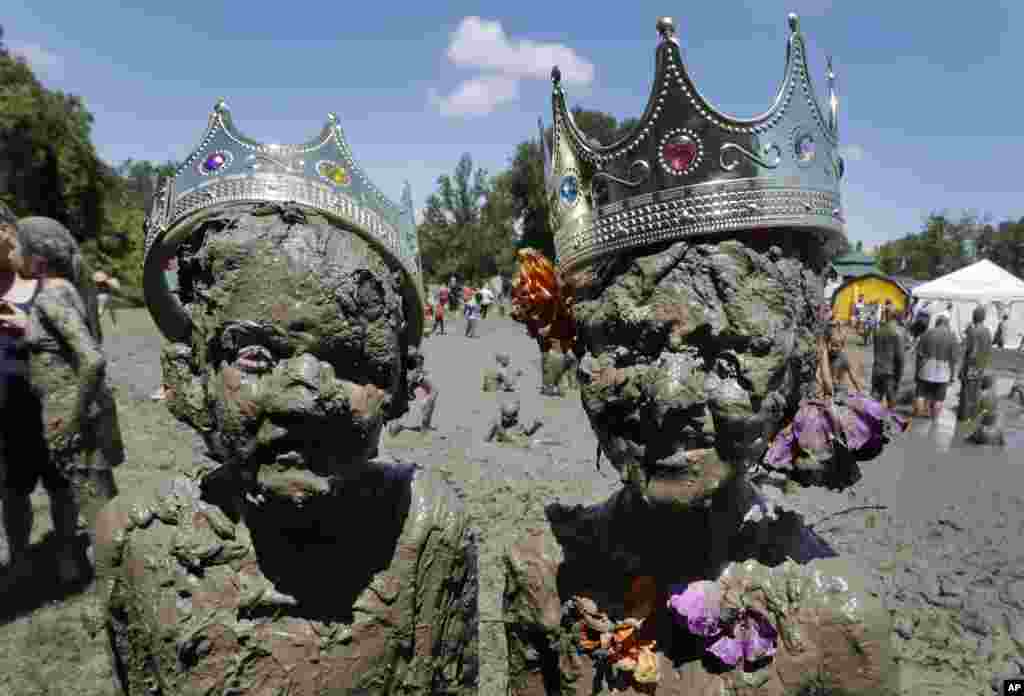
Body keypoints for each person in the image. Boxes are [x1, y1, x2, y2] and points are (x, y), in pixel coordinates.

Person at [7, 217, 124, 583]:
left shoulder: (52, 293)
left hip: (70, 415)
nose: (12, 256)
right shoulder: (58, 290)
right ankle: (116, 577)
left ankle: (115, 585)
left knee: (97, 508)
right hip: (65, 412)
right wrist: (23, 325)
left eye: (16, 249)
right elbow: (56, 343)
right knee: (99, 505)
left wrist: (74, 417)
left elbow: (91, 358)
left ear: (37, 260)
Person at [0, 205, 51, 576]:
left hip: (49, 400)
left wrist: (27, 323)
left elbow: (78, 335)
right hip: (5, 408)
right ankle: (19, 557)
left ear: (6, 231)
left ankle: (65, 550)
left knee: (59, 484)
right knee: (12, 490)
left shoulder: (44, 277)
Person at [914, 315, 958, 419]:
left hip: (926, 369)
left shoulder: (926, 333)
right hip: (943, 371)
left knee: (920, 394)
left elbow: (919, 356)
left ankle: (918, 419)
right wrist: (951, 376)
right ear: (947, 324)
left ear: (936, 323)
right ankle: (934, 419)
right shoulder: (952, 336)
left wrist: (917, 372)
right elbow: (953, 360)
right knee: (939, 398)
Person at [957, 305, 993, 422]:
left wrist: (963, 368)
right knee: (976, 391)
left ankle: (964, 416)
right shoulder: (987, 331)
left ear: (974, 316)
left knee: (966, 392)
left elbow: (971, 352)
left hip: (972, 366)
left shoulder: (973, 331)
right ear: (983, 318)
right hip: (981, 365)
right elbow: (988, 351)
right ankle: (973, 416)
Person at [871, 304, 905, 410]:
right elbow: (900, 358)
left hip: (877, 370)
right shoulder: (898, 332)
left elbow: (875, 351)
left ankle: (874, 423)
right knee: (891, 402)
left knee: (874, 402)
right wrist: (899, 377)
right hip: (890, 373)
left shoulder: (878, 330)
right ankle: (889, 424)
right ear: (896, 316)